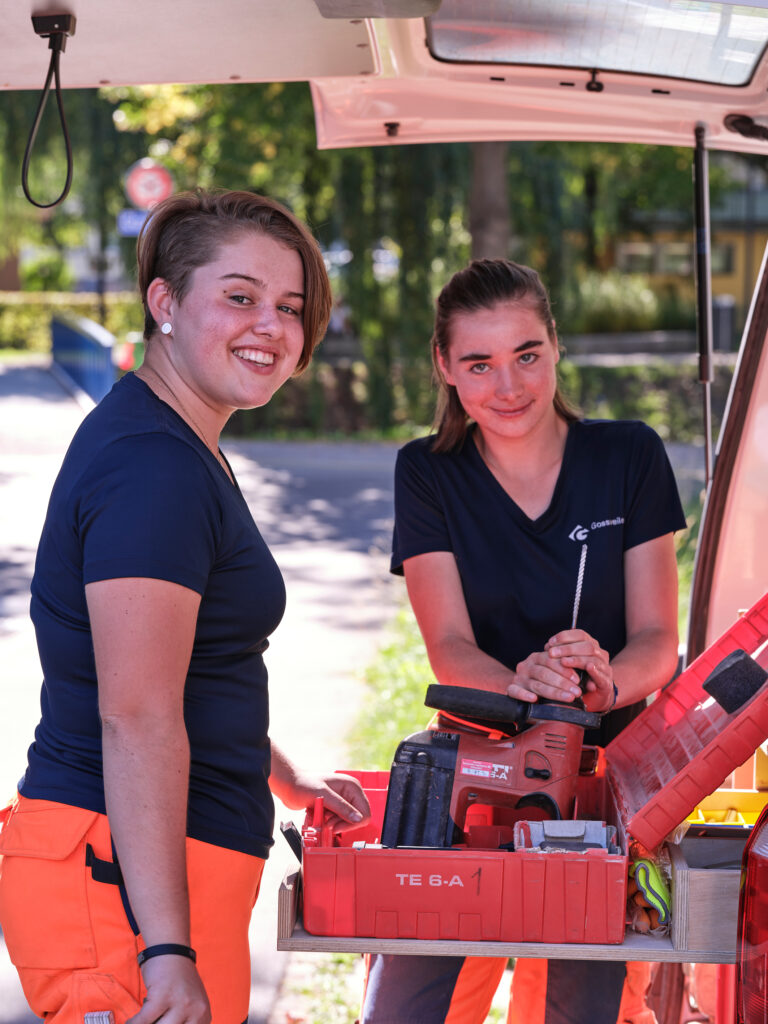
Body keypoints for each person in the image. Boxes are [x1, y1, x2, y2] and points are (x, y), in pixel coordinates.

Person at [0, 189, 370, 1024]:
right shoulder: (153, 469)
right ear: (164, 302)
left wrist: (278, 770)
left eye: (290, 307)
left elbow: (183, 661)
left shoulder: (178, 441)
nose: (271, 327)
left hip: (160, 870)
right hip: (124, 889)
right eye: (239, 297)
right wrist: (167, 949)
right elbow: (135, 713)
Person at [360, 258, 686, 1024]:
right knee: (415, 1002)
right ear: (445, 366)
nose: (508, 387)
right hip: (470, 782)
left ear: (555, 348)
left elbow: (657, 641)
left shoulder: (628, 455)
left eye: (526, 355)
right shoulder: (427, 472)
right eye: (480, 363)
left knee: (582, 1002)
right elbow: (448, 646)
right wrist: (526, 680)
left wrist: (604, 682)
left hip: (606, 788)